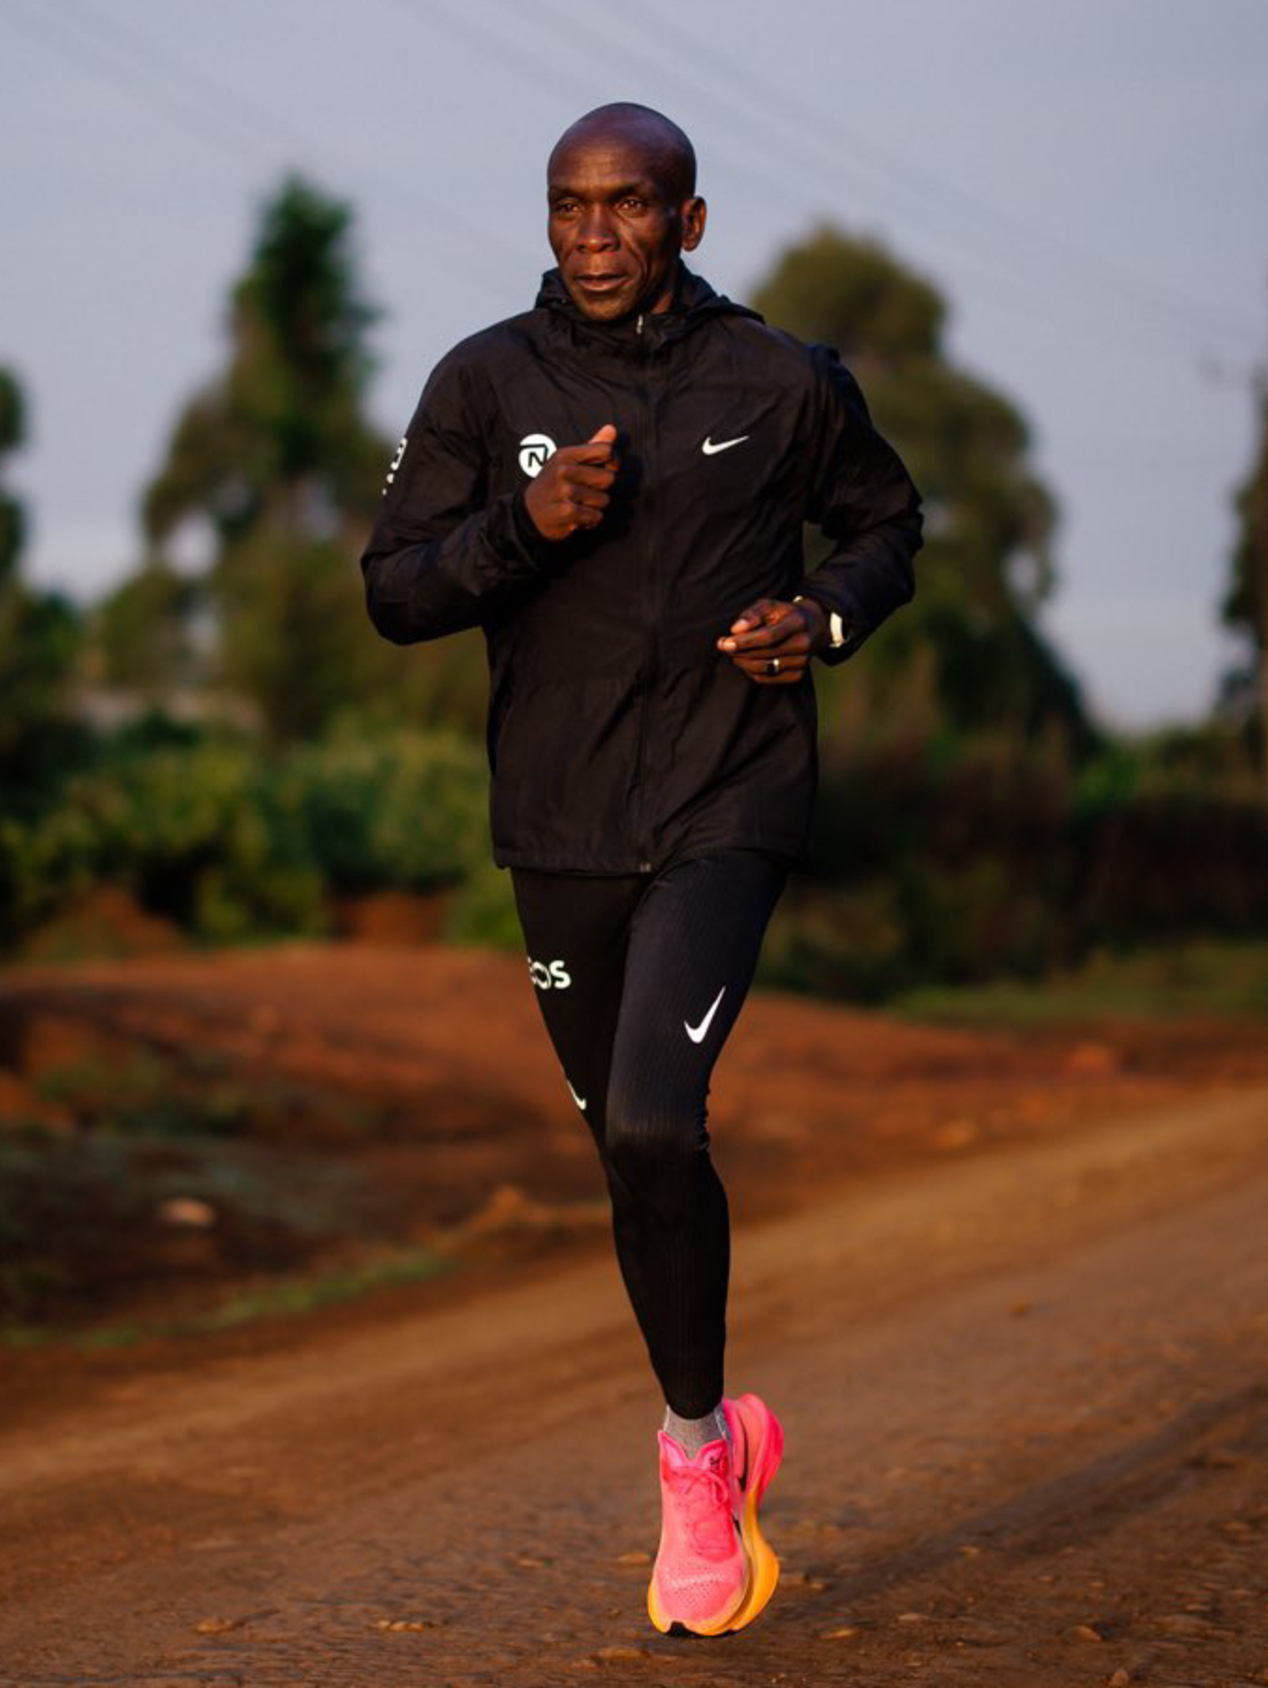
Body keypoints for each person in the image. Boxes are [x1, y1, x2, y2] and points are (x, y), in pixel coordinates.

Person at [359, 102, 922, 1638]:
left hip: (730, 796)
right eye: (569, 207)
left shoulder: (782, 381)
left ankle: (687, 1465)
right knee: (622, 1140)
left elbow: (886, 524)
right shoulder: (485, 381)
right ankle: (724, 1424)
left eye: (626, 208)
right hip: (557, 823)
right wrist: (518, 530)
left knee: (662, 1122)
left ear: (688, 220)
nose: (593, 238)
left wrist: (821, 620)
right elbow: (394, 592)